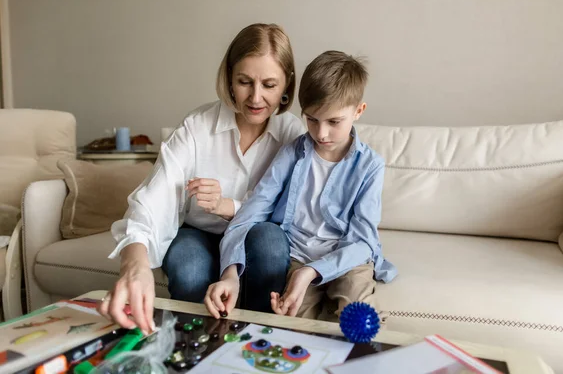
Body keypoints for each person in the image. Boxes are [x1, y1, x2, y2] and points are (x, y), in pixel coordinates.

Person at [97, 23, 306, 335]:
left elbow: (294, 208)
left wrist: (230, 206)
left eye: (270, 85)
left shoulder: (293, 135)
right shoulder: (197, 127)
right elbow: (155, 198)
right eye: (245, 82)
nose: (256, 97)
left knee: (272, 244)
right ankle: (196, 347)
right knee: (189, 268)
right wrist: (135, 263)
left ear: (287, 83)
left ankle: (259, 342)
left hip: (258, 236)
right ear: (230, 78)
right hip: (197, 233)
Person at [204, 50, 397, 320]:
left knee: (358, 315)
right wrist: (231, 272)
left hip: (347, 259)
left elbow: (363, 241)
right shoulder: (292, 153)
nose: (321, 133)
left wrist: (310, 273)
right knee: (295, 323)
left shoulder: (370, 166)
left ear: (358, 111)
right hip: (299, 256)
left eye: (334, 122)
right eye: (312, 120)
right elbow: (252, 210)